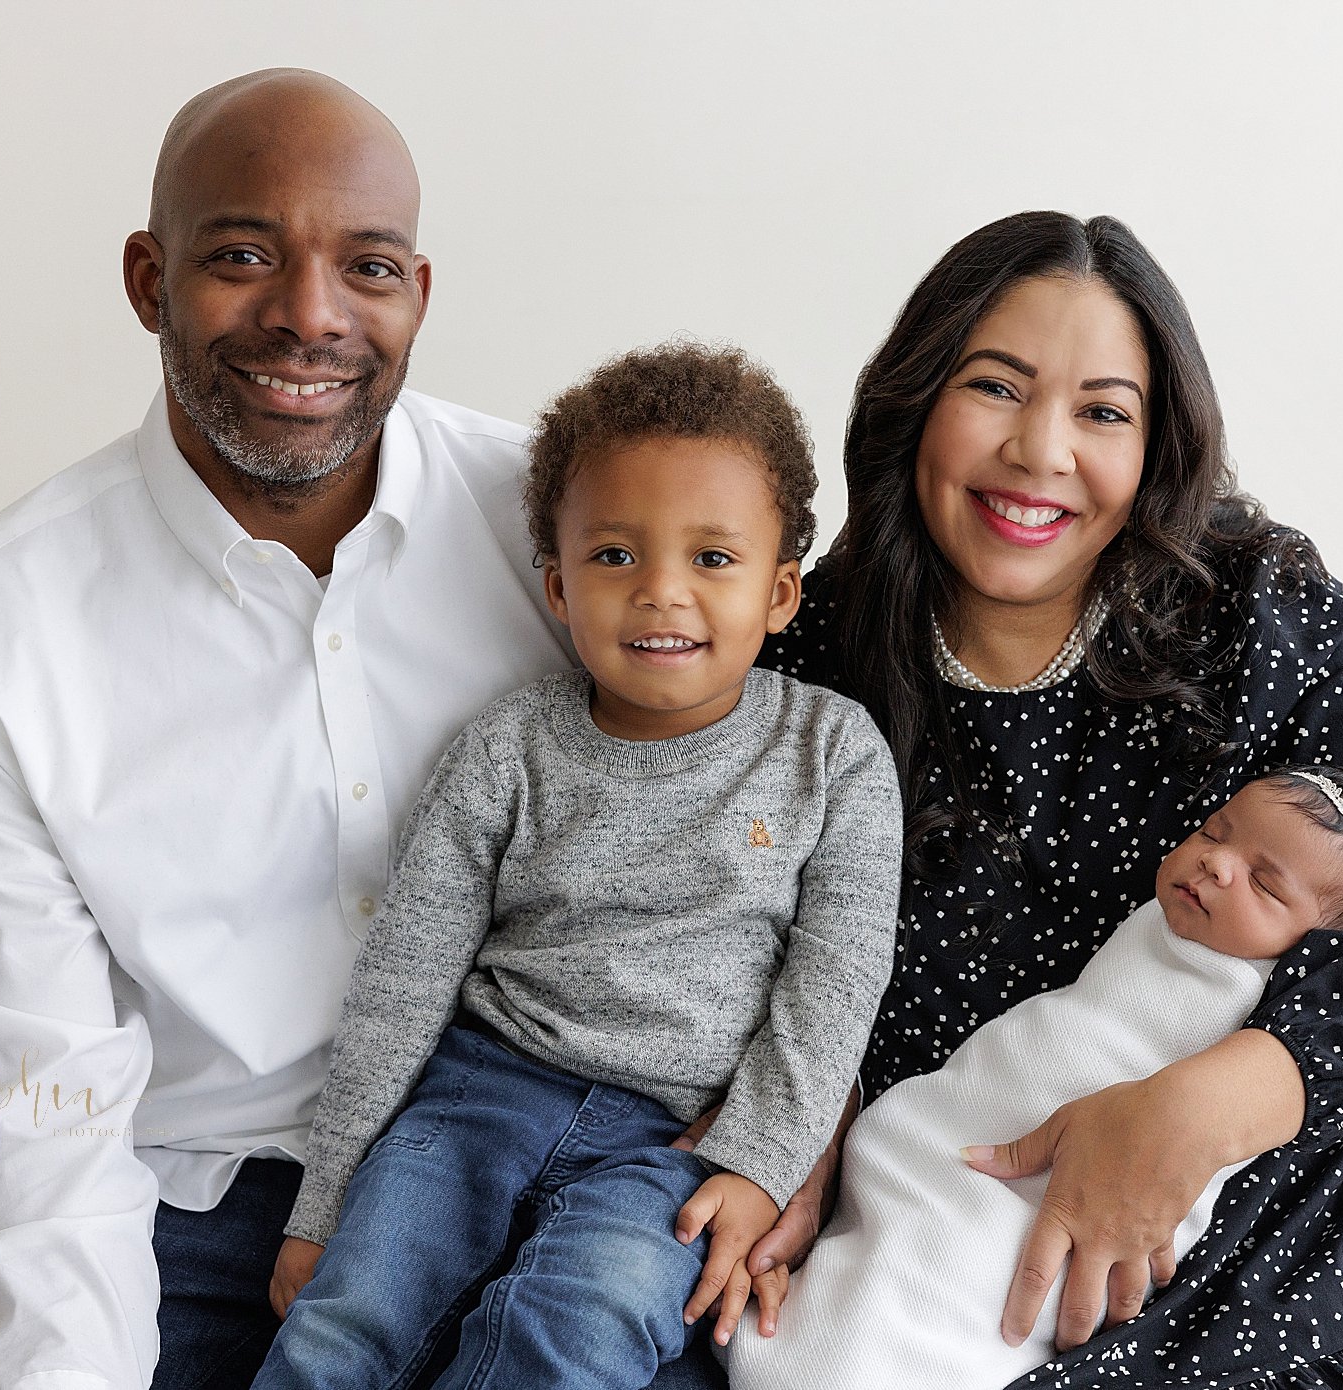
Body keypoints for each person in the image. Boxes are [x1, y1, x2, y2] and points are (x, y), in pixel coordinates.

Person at [657, 210, 1343, 1390]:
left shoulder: (1257, 610)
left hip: (1300, 1279)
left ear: (1156, 447)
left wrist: (1201, 1107)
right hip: (941, 1286)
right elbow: (718, 928)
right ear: (912, 403)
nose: (1040, 451)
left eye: (1102, 411)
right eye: (995, 387)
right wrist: (797, 1116)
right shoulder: (803, 654)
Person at [0, 71, 577, 1390]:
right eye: (244, 255)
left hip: (543, 1173)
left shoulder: (569, 531)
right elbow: (44, 1102)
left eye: (366, 267)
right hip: (187, 1206)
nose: (311, 316)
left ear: (419, 291)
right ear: (147, 279)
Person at [248, 343, 903, 1390]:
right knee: (343, 1325)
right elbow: (404, 978)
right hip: (478, 1096)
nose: (660, 594)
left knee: (576, 1324)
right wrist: (326, 1198)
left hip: (677, 1139)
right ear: (555, 586)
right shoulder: (504, 749)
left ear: (781, 591)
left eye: (712, 559)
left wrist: (756, 1160)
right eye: (613, 557)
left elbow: (831, 988)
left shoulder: (832, 755)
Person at [726, 765, 1343, 1388]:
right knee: (900, 1217)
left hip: (1090, 1177)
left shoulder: (1270, 994)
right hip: (957, 1129)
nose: (1216, 865)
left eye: (1265, 884)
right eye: (1214, 832)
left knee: (977, 1277)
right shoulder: (1161, 919)